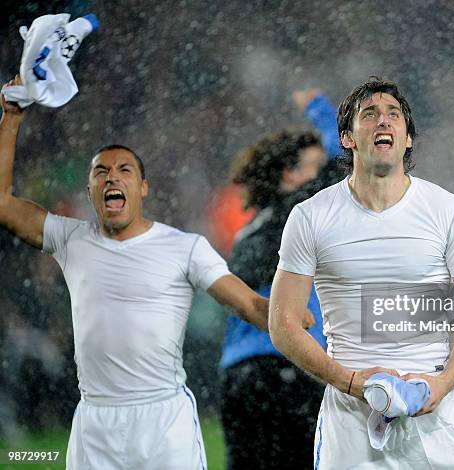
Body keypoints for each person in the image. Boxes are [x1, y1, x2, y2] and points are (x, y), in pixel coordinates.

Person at [0, 75, 311, 470]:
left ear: (143, 187)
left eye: (124, 170)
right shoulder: (70, 238)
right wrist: (11, 116)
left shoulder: (185, 247)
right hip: (96, 420)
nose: (112, 176)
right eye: (101, 172)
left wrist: (287, 318)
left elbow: (248, 303)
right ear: (91, 189)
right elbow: (3, 203)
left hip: (163, 420)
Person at [269, 76, 454, 469]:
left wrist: (440, 385)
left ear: (407, 138)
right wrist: (352, 383)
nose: (383, 122)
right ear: (347, 138)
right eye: (369, 114)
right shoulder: (310, 218)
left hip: (438, 408)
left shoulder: (447, 210)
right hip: (352, 417)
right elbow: (282, 325)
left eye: (394, 115)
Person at [219, 90, 344, 469]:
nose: (322, 175)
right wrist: (319, 108)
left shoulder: (253, 227)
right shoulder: (295, 215)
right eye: (313, 166)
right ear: (291, 175)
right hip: (287, 368)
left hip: (238, 376)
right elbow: (345, 158)